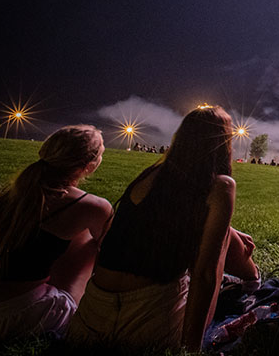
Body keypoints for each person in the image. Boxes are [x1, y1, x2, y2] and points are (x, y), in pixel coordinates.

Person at [68, 106, 254, 351]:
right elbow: (206, 274)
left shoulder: (153, 174)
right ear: (222, 142)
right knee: (214, 256)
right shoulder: (221, 186)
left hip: (89, 319)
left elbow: (161, 218)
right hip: (147, 321)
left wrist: (227, 228)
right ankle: (253, 283)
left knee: (221, 236)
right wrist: (190, 350)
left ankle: (252, 280)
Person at [0, 126, 113, 342]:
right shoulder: (90, 206)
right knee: (90, 243)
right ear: (89, 165)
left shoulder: (13, 192)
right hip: (13, 314)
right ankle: (73, 306)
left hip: (1, 300)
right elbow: (113, 251)